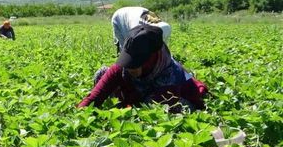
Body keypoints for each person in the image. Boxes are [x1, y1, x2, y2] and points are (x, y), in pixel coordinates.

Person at [78, 24, 208, 112]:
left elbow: (144, 111)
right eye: (128, 61)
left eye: (136, 63)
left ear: (152, 58)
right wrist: (79, 115)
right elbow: (93, 98)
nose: (130, 68)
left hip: (175, 99)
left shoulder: (169, 76)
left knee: (162, 108)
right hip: (137, 94)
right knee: (102, 73)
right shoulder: (124, 67)